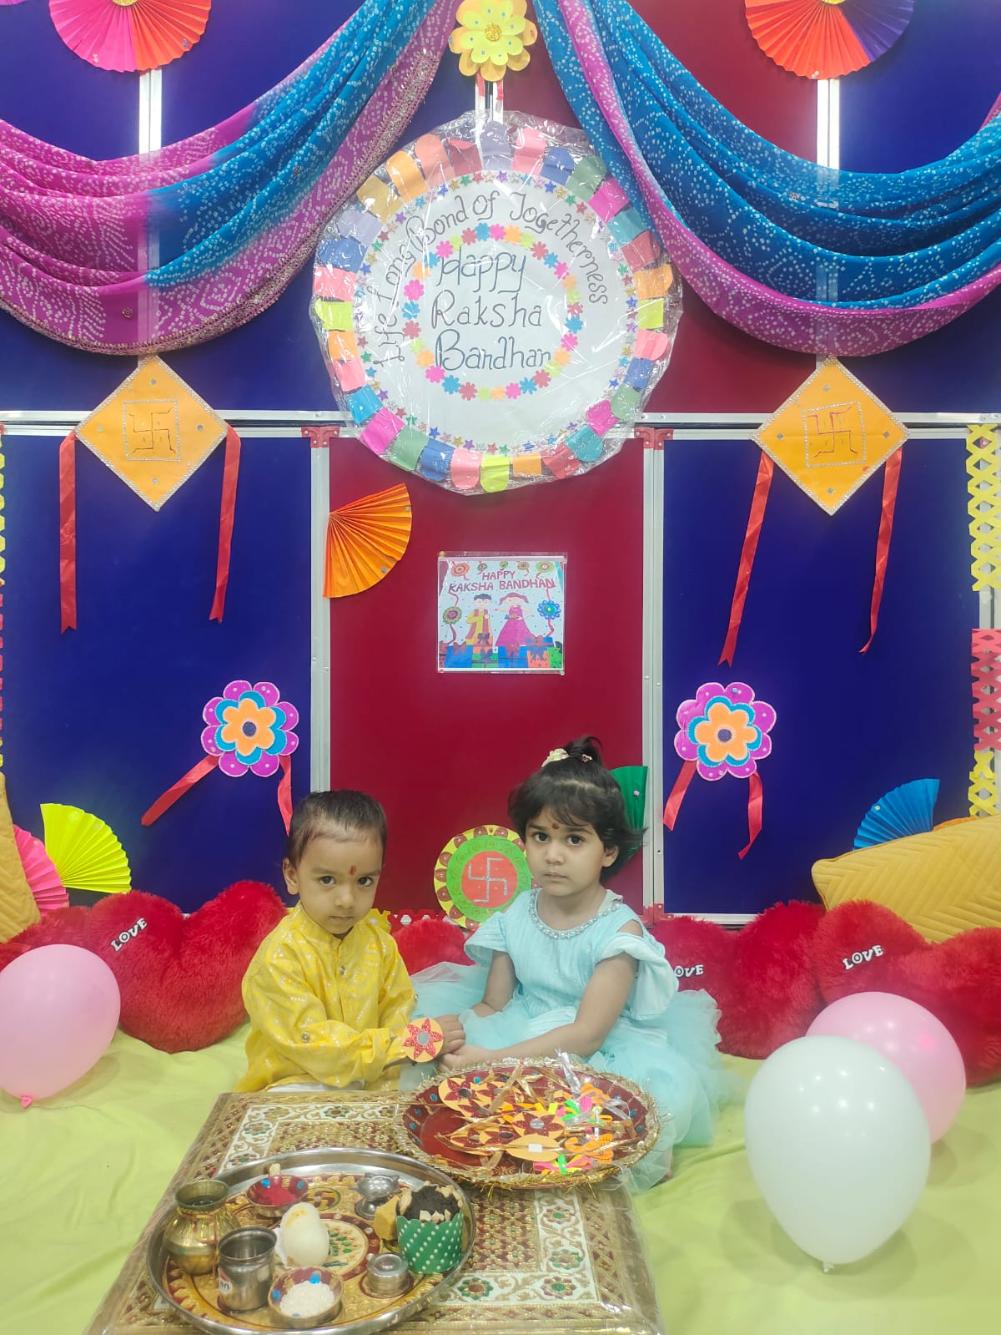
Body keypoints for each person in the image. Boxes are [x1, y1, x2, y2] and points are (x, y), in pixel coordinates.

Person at [411, 739, 727, 1187]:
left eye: (574, 840)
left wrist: (494, 1061)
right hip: (520, 1027)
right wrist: (461, 1038)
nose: (553, 855)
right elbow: (493, 1005)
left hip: (594, 1050)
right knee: (454, 1094)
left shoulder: (619, 933)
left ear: (609, 851)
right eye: (540, 836)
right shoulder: (516, 914)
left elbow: (587, 1033)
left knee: (602, 1122)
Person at [237, 790, 463, 1092]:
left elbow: (397, 1010)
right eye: (327, 880)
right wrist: (412, 1044)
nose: (347, 900)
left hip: (374, 1072)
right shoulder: (279, 958)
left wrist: (406, 1052)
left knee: (441, 1087)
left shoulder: (380, 946)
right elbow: (317, 1048)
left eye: (364, 881)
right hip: (298, 1081)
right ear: (292, 875)